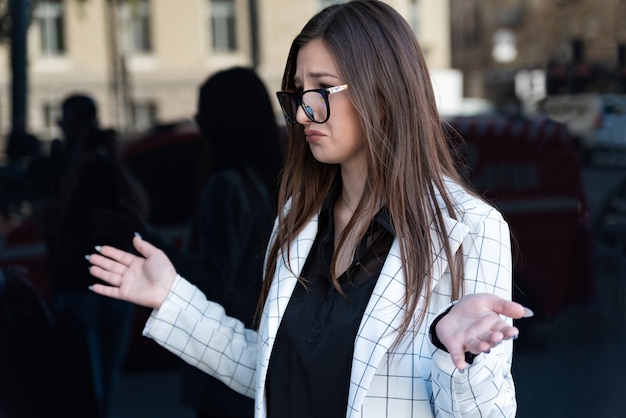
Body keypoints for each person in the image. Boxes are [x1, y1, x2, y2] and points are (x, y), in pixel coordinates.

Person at [86, 2, 533, 417]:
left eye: (321, 89)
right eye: (299, 92)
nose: (301, 115)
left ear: (382, 94)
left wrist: (459, 356)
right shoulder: (298, 219)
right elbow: (267, 370)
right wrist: (172, 296)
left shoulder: (471, 229)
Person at [166, 67, 282, 417]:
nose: (199, 125)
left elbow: (213, 282)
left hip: (223, 350)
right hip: (262, 347)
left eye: (203, 116)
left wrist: (153, 247)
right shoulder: (277, 183)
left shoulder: (226, 187)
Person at [39, 94, 149, 418]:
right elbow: (50, 222)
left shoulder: (106, 166)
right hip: (76, 287)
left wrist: (116, 159)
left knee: (109, 384)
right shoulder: (55, 167)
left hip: (115, 286)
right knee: (86, 385)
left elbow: (141, 209)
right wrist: (75, 167)